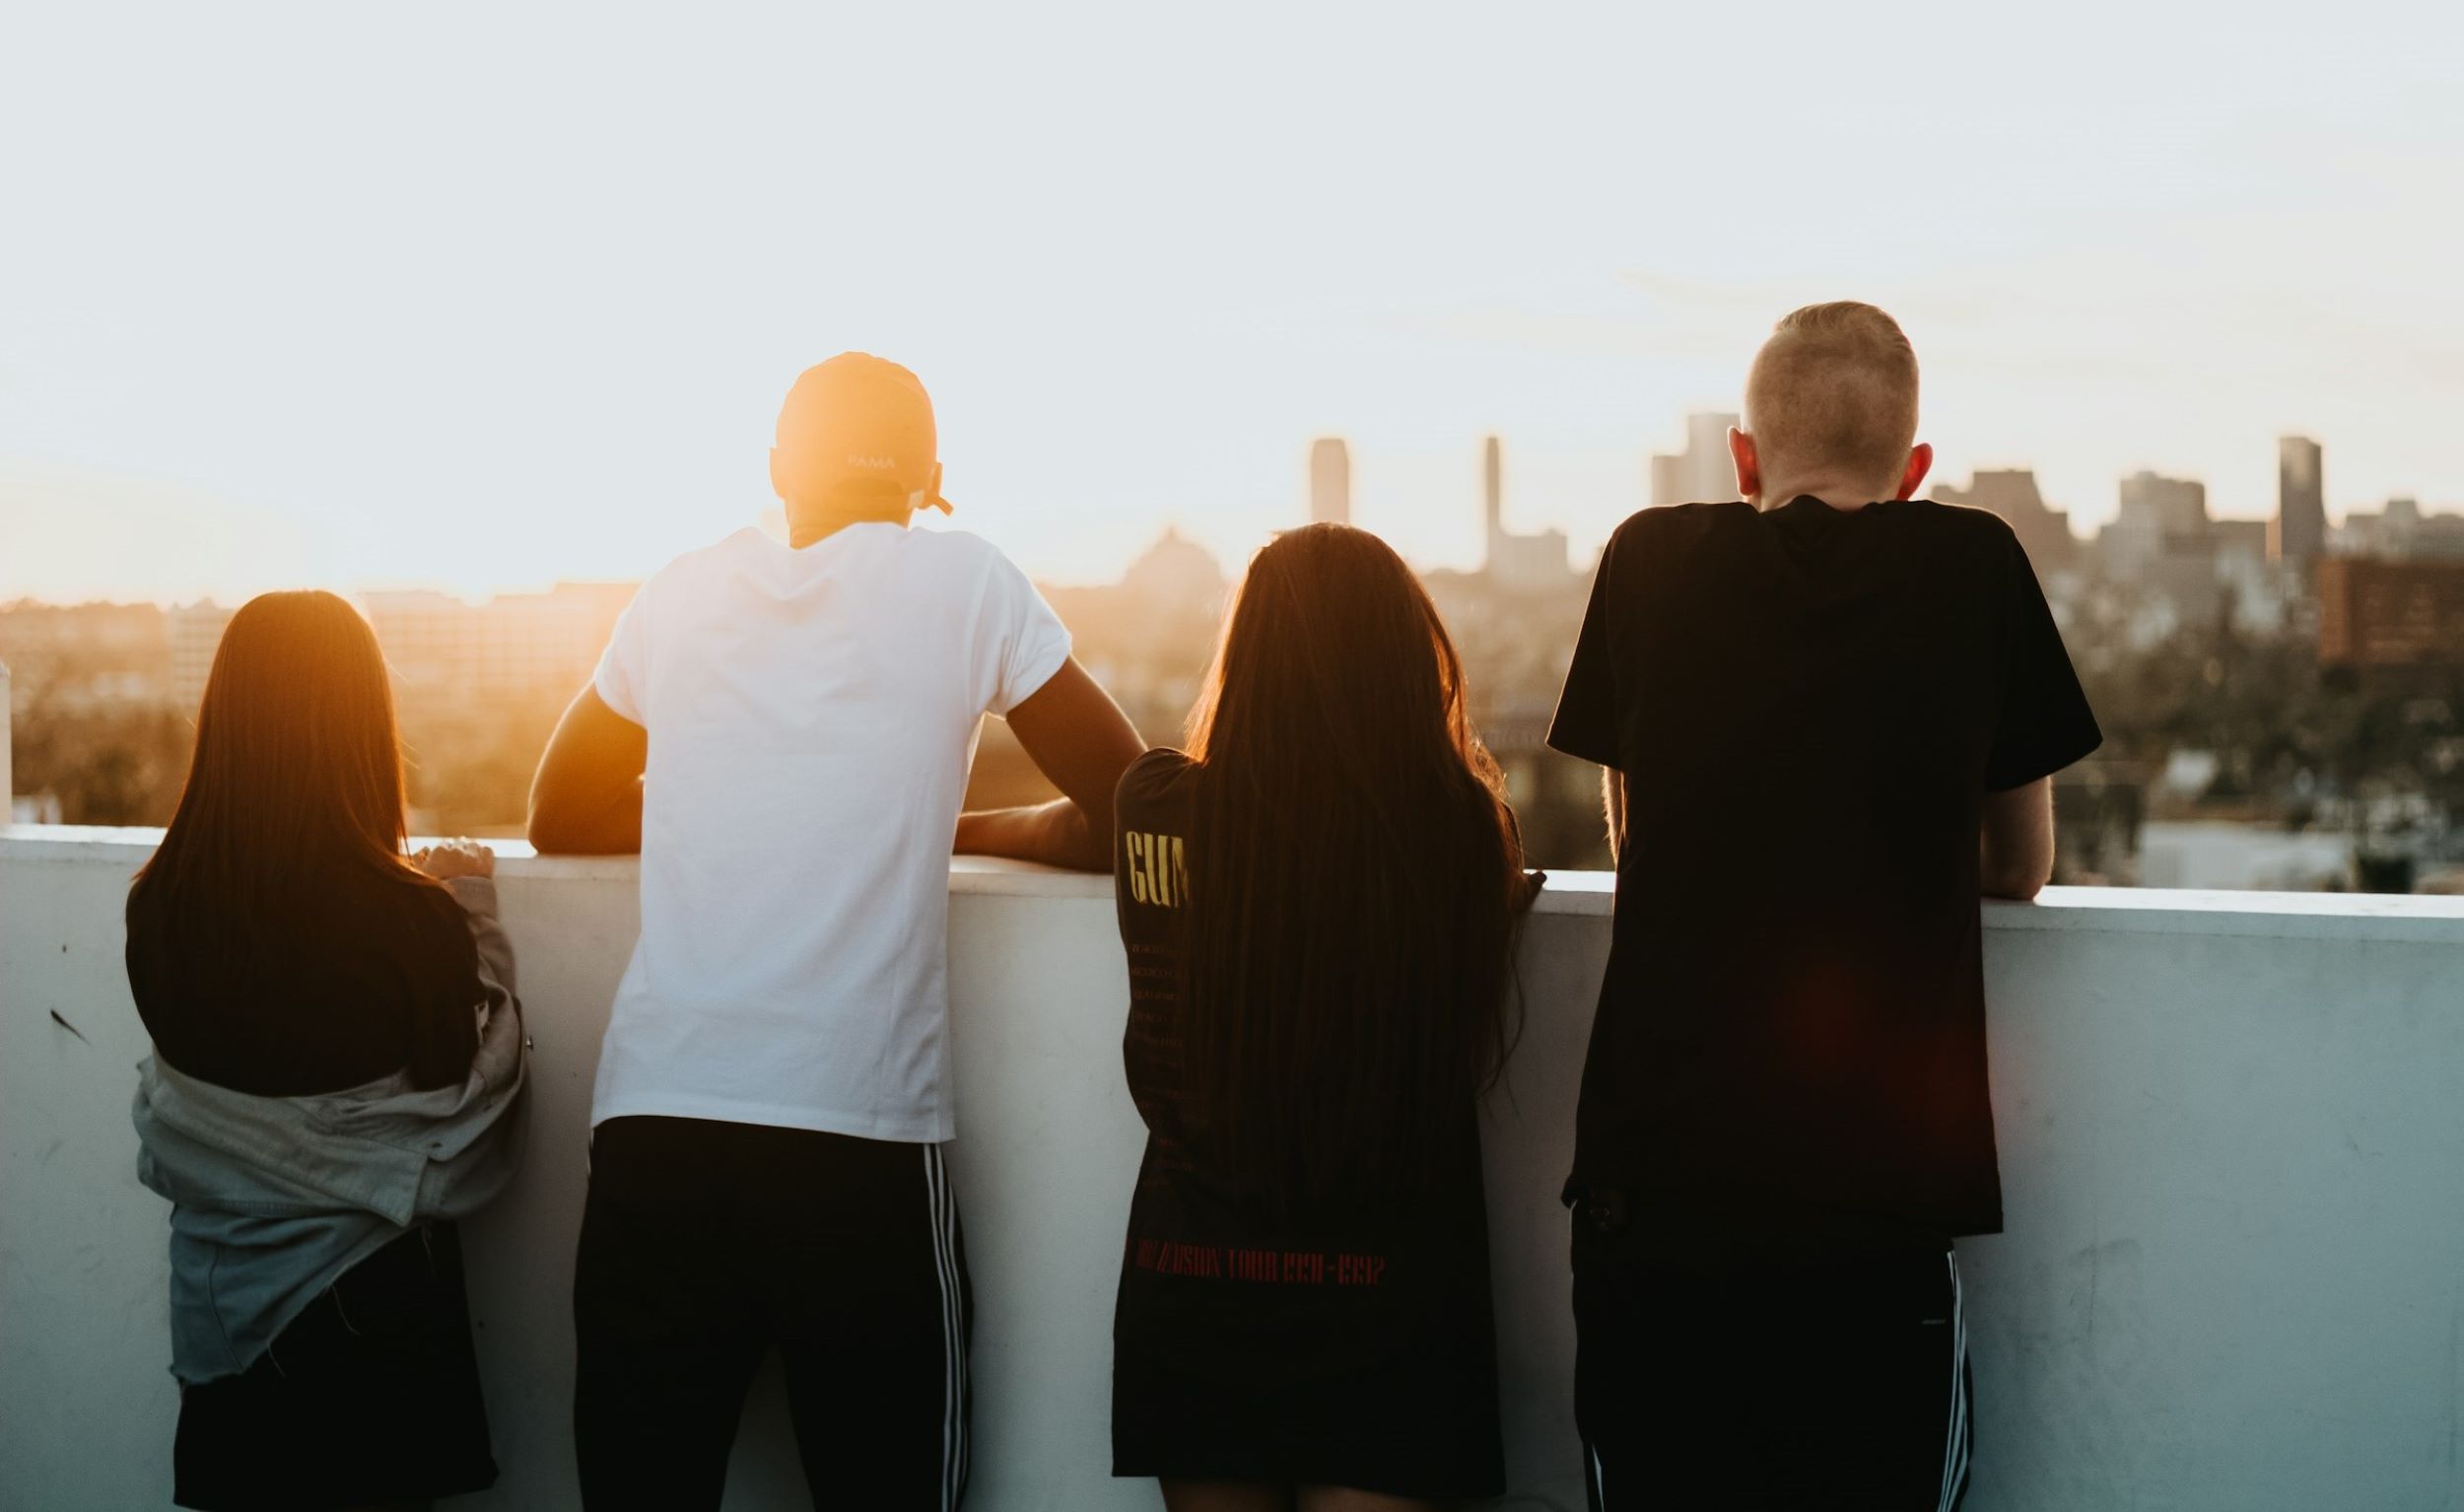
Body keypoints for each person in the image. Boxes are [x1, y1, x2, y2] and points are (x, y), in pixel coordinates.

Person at [528, 352, 1146, 1510]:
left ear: (775, 470)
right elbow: (1132, 804)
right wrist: (943, 818)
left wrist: (742, 796)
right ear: (933, 481)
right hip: (851, 1139)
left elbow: (556, 811)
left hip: (658, 1126)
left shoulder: (682, 588)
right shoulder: (967, 582)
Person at [1547, 302, 2102, 1509]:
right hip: (1874, 1198)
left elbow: (1639, 840)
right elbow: (2020, 864)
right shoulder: (1975, 565)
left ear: (1742, 460)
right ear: (1914, 472)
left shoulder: (1648, 558)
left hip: (1659, 1193)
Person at [1108, 523, 1539, 1512]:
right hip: (1389, 1300)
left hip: (1198, 1288)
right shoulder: (1458, 838)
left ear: (1245, 653)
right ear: (1403, 658)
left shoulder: (1153, 808)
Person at [125, 589, 528, 1512]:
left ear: (223, 718)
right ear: (362, 724)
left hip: (220, 1327)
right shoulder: (410, 920)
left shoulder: (158, 911)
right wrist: (472, 916)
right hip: (369, 1329)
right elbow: (458, 1096)